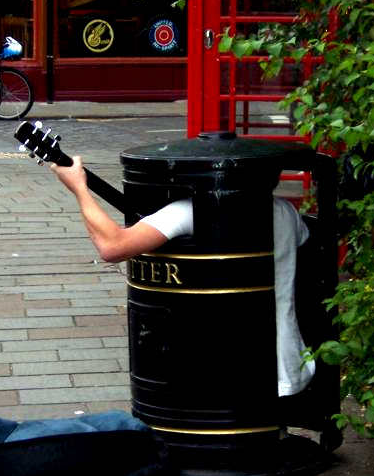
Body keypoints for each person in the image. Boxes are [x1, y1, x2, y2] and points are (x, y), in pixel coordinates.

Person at [51, 156, 315, 398]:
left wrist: (79, 188)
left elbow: (112, 246)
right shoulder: (285, 212)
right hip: (280, 363)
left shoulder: (188, 211)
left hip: (211, 372)